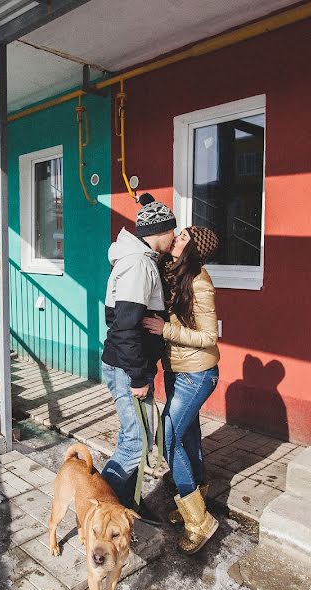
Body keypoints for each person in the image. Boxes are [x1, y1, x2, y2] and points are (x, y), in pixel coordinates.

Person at [142, 226, 221, 554]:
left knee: (169, 437)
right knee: (187, 435)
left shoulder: (200, 283)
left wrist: (166, 329)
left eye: (184, 238)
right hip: (178, 371)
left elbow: (209, 337)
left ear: (194, 251)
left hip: (198, 374)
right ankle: (196, 494)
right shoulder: (172, 272)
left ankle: (199, 520)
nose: (176, 238)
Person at [101, 193, 176, 521]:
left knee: (135, 436)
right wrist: (138, 377)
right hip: (128, 370)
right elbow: (124, 328)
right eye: (173, 231)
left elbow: (116, 320)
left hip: (128, 366)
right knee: (135, 442)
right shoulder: (138, 265)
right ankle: (103, 510)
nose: (175, 237)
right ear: (160, 231)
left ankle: (127, 503)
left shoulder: (137, 260)